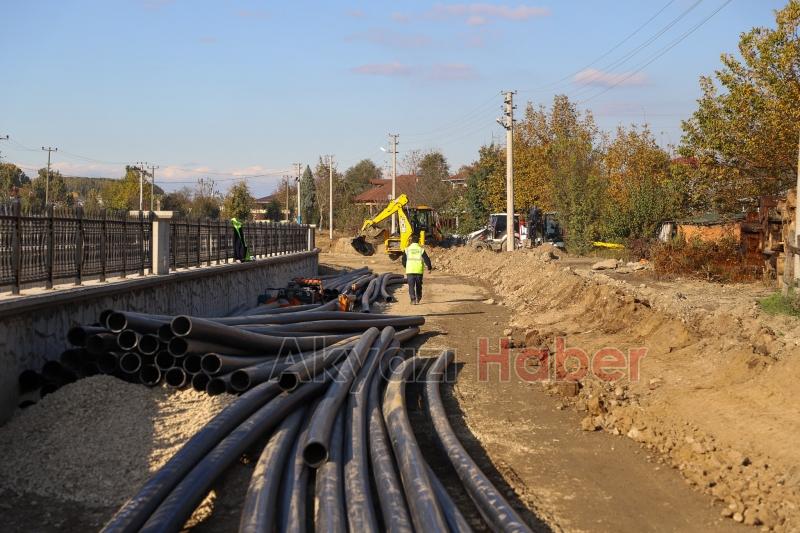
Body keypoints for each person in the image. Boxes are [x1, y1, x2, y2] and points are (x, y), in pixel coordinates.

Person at [401, 234, 432, 305]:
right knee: (418, 285)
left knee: (411, 286)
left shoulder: (407, 249)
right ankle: (419, 297)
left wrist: (406, 266)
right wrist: (429, 268)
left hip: (410, 270)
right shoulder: (421, 250)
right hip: (419, 270)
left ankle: (413, 300)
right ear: (418, 241)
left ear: (411, 241)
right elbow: (427, 259)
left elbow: (403, 260)